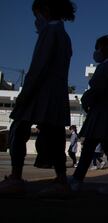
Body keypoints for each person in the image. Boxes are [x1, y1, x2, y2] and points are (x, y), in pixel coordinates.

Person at [0, 0, 76, 195]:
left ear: (45, 11)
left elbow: (38, 66)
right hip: (56, 94)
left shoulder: (49, 32)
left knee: (19, 130)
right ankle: (61, 181)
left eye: (36, 15)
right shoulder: (65, 36)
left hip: (40, 92)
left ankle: (16, 178)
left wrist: (26, 93)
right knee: (56, 137)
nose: (36, 20)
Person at [70, 35, 108, 194]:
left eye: (98, 47)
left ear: (105, 48)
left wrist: (86, 99)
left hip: (101, 113)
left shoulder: (106, 66)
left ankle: (77, 181)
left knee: (90, 148)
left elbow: (97, 88)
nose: (96, 52)